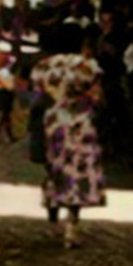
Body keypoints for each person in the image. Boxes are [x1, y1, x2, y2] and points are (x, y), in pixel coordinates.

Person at [30, 23, 106, 248]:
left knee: (56, 166)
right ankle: (72, 224)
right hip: (80, 123)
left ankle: (52, 201)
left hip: (53, 122)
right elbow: (97, 97)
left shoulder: (44, 66)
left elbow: (36, 95)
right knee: (78, 172)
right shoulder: (87, 66)